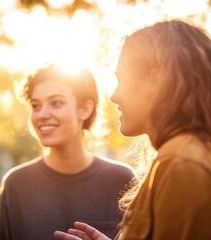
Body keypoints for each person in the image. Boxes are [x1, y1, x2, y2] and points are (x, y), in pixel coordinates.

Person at [54, 19, 211, 240]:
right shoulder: (181, 156)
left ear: (154, 80)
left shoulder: (180, 163)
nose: (114, 96)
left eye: (121, 80)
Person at [0, 64, 135, 240]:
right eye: (36, 105)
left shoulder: (123, 179)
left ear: (84, 109)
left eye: (56, 103)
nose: (42, 114)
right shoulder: (15, 185)